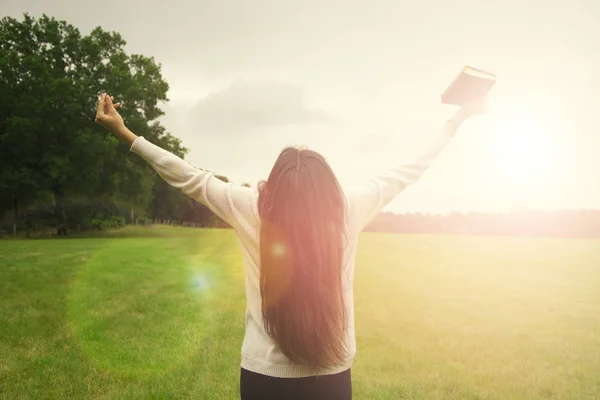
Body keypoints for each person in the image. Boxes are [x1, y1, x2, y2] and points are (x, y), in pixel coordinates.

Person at [95, 92, 487, 399]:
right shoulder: (347, 208)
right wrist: (457, 119)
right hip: (330, 378)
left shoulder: (253, 207)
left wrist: (126, 133)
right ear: (327, 187)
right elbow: (409, 169)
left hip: (264, 378)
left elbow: (188, 177)